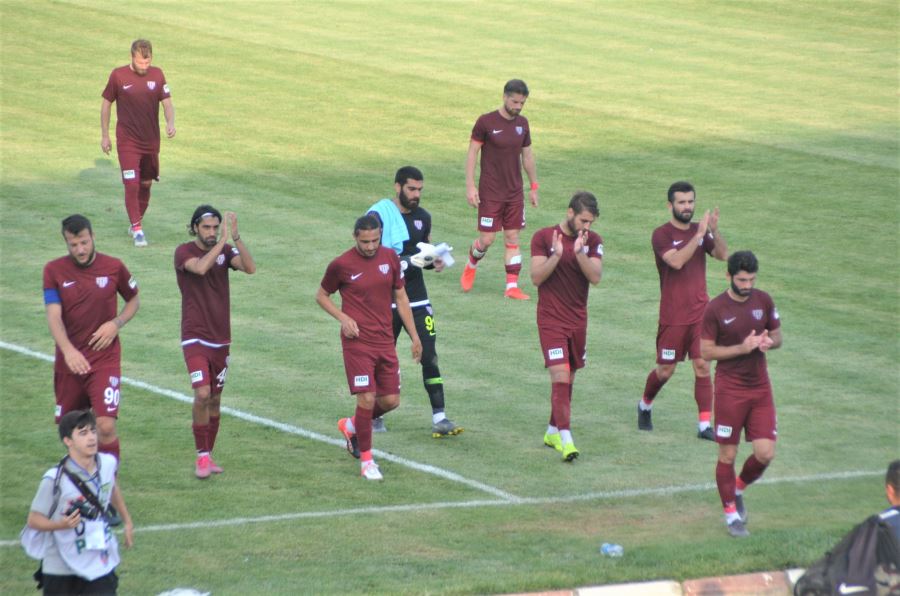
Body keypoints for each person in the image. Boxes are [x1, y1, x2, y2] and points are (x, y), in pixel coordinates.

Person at [316, 215, 423, 480]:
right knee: (366, 398)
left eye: (375, 240)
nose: (371, 246)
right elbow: (322, 296)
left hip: (385, 340)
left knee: (390, 401)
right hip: (357, 343)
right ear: (355, 237)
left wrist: (415, 336)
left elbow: (401, 296)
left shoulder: (390, 258)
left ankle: (352, 425)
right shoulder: (341, 265)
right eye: (365, 242)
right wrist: (343, 318)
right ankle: (367, 461)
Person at [366, 166, 463, 438]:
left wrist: (435, 261)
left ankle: (440, 416)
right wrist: (410, 261)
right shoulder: (379, 217)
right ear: (397, 187)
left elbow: (424, 253)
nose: (416, 194)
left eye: (419, 190)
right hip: (385, 300)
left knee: (429, 354)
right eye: (411, 189)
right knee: (382, 357)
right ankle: (375, 414)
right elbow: (375, 258)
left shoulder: (423, 218)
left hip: (417, 299)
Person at [43, 215, 140, 463]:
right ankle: (84, 476)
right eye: (73, 245)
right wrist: (68, 351)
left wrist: (116, 323)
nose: (80, 250)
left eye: (84, 242)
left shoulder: (114, 267)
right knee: (72, 430)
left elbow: (133, 299)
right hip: (70, 363)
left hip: (104, 359)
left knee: (105, 426)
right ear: (66, 242)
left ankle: (107, 483)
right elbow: (53, 316)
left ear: (93, 237)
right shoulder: (53, 271)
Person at [700, 250, 781, 537]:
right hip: (730, 390)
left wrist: (769, 342)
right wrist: (742, 348)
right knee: (728, 454)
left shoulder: (763, 301)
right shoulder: (715, 309)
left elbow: (778, 335)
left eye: (751, 280)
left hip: (760, 388)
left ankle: (737, 488)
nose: (747, 286)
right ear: (729, 276)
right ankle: (731, 515)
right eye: (742, 280)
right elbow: (706, 351)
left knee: (765, 453)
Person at [638, 181, 728, 440]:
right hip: (673, 316)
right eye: (682, 202)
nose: (687, 207)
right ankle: (645, 405)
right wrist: (698, 236)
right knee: (665, 370)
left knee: (702, 366)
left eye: (690, 202)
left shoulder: (700, 230)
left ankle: (704, 426)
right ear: (670, 206)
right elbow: (676, 261)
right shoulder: (661, 235)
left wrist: (714, 231)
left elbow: (722, 255)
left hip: (701, 313)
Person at [175, 206, 256, 479]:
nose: (211, 232)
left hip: (221, 339)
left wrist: (236, 238)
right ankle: (201, 457)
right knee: (202, 394)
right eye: (206, 228)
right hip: (195, 337)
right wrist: (222, 242)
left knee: (216, 399)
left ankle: (208, 455)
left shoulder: (226, 251)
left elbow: (250, 268)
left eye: (215, 228)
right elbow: (199, 268)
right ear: (195, 228)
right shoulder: (184, 252)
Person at [26, 409, 134, 594]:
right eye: (83, 433)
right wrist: (61, 525)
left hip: (99, 561)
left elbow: (111, 487)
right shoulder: (54, 479)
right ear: (68, 441)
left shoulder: (108, 463)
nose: (91, 438)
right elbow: (33, 520)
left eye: (93, 431)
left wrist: (127, 520)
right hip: (60, 566)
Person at [530, 192, 603, 462]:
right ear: (570, 212)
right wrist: (557, 256)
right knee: (560, 375)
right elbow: (536, 277)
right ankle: (566, 439)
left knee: (569, 378)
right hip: (551, 320)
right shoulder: (543, 237)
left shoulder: (593, 241)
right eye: (583, 220)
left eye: (591, 222)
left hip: (578, 320)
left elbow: (595, 277)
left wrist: (579, 252)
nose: (587, 226)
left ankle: (552, 431)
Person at [461, 79, 539, 300]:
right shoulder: (486, 122)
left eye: (522, 103)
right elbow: (472, 153)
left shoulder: (523, 124)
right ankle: (471, 263)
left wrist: (533, 186)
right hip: (490, 192)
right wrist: (470, 186)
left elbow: (527, 156)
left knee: (512, 238)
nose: (518, 107)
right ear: (504, 97)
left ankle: (511, 287)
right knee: (487, 239)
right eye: (515, 102)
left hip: (514, 193)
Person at [101, 39, 175, 247]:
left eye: (147, 62)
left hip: (151, 141)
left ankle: (136, 220)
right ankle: (137, 230)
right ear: (132, 57)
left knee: (146, 184)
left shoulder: (157, 75)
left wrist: (170, 122)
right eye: (140, 62)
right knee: (132, 184)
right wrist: (105, 135)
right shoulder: (118, 76)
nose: (144, 66)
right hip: (128, 142)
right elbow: (106, 105)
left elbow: (168, 104)